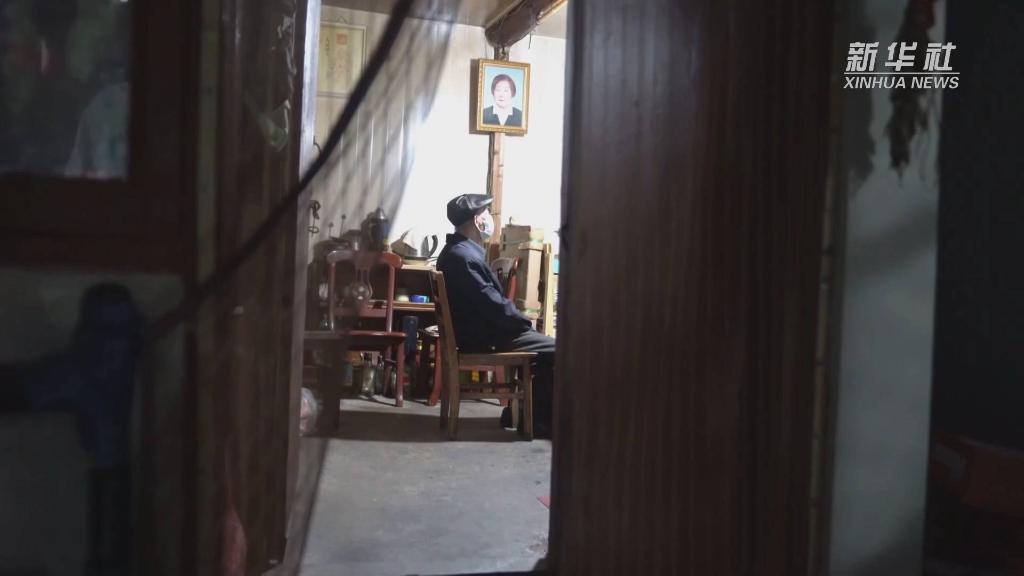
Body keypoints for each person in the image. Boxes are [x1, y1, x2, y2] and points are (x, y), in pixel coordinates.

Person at [436, 194, 554, 437]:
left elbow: (489, 302)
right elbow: (492, 306)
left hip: (477, 331)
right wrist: (523, 322)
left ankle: (518, 413)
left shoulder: (456, 251)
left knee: (542, 348)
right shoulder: (464, 257)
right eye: (486, 214)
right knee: (556, 350)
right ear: (477, 220)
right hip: (484, 336)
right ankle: (538, 422)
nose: (489, 218)